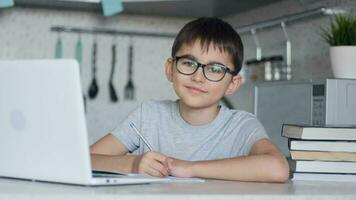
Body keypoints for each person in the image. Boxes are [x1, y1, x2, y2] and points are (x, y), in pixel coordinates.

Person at [90, 17, 289, 182]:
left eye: (215, 69)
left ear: (232, 84)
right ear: (170, 69)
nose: (198, 77)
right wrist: (133, 164)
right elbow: (84, 160)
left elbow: (278, 168)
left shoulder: (241, 125)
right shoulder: (148, 115)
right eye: (188, 63)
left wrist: (190, 168)